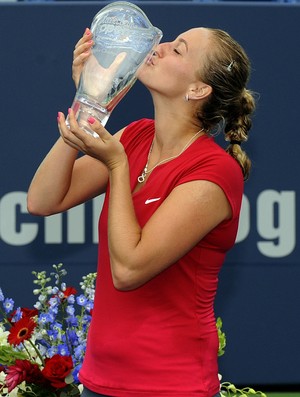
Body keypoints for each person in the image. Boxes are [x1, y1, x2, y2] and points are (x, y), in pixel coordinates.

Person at [27, 25, 255, 397]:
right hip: (99, 380)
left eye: (178, 50)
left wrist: (118, 167)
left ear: (198, 90)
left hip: (172, 385)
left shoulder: (215, 172)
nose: (159, 47)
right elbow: (43, 200)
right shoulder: (136, 136)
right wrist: (91, 99)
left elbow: (130, 269)